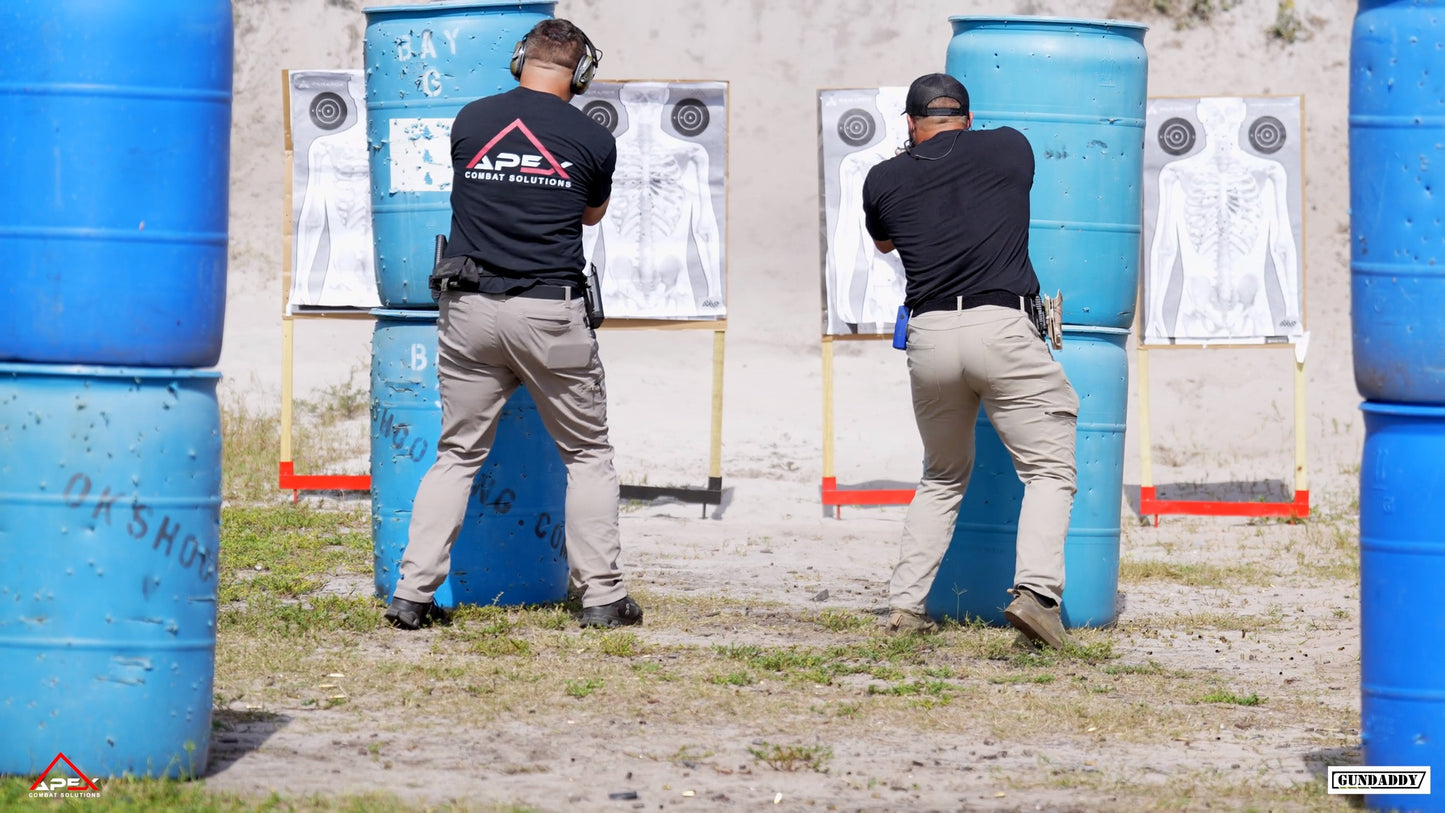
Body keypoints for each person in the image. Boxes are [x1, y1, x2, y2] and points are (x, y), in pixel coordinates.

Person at [384, 19, 642, 631]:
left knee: (455, 455)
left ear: (521, 59)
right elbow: (590, 212)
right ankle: (603, 597)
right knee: (586, 454)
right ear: (580, 74)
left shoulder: (470, 120)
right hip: (549, 314)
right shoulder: (591, 138)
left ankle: (412, 593)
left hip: (470, 310)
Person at [860, 74, 1079, 648]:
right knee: (1048, 470)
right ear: (967, 116)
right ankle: (1036, 596)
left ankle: (906, 607)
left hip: (929, 335)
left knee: (940, 476)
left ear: (910, 123)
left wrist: (911, 159)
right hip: (1002, 326)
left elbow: (884, 244)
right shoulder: (1009, 147)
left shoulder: (882, 178)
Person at [1146, 97, 1300, 342]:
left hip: (1250, 310)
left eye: (1228, 113)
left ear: (1241, 114)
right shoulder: (1176, 174)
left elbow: (1282, 245)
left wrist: (1293, 313)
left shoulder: (1268, 173)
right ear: (1201, 115)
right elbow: (1164, 247)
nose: (1222, 122)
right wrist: (1154, 314)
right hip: (1197, 310)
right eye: (1214, 114)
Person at [582, 82, 723, 319]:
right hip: (617, 286)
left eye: (652, 97)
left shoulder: (690, 154)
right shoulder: (602, 152)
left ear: (665, 97)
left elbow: (705, 226)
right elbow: (589, 227)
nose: (645, 105)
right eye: (638, 98)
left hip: (674, 287)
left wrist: (715, 293)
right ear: (624, 98)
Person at [830, 87, 908, 329]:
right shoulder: (861, 164)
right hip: (885, 280)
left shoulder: (932, 162)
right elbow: (846, 235)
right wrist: (841, 304)